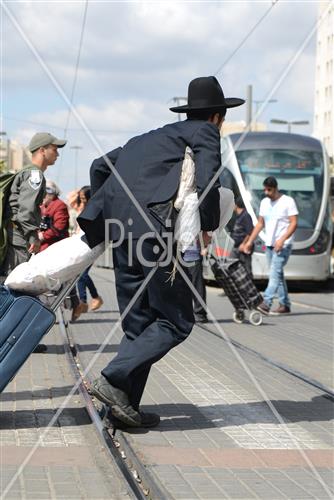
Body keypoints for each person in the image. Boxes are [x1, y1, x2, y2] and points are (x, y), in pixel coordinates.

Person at [78, 76, 245, 429]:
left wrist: (111, 209)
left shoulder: (146, 139)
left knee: (138, 324)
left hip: (123, 238)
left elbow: (98, 165)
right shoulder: (205, 133)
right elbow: (209, 177)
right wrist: (208, 222)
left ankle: (125, 406)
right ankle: (112, 377)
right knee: (175, 321)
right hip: (158, 236)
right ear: (217, 116)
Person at [1, 133, 66, 279]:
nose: (58, 154)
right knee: (15, 281)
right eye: (54, 149)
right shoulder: (34, 174)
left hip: (15, 233)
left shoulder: (28, 172)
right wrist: (33, 237)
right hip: (19, 236)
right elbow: (26, 209)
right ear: (42, 150)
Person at [244, 176, 298, 314]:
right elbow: (260, 223)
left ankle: (266, 302)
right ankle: (285, 305)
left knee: (274, 274)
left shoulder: (288, 201)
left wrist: (282, 239)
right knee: (277, 275)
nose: (267, 192)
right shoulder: (264, 202)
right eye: (265, 190)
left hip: (283, 245)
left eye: (270, 190)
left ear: (276, 188)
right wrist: (250, 241)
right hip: (269, 245)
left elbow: (293, 223)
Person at [72, 186, 103, 320]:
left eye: (85, 197)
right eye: (81, 197)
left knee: (82, 275)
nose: (82, 199)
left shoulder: (94, 209)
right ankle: (92, 299)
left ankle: (84, 302)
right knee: (82, 275)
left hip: (91, 245)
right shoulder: (80, 207)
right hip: (79, 244)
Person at [39, 180, 69, 251]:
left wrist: (42, 236)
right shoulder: (43, 206)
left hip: (54, 246)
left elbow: (58, 228)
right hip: (43, 245)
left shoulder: (59, 205)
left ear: (51, 194)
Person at [230, 196, 254, 277]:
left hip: (243, 247)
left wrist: (243, 244)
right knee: (236, 269)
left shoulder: (246, 215)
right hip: (236, 247)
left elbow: (250, 232)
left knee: (246, 270)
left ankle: (249, 288)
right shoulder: (239, 216)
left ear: (236, 205)